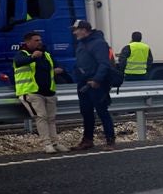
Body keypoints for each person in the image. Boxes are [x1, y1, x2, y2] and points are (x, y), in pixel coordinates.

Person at [13, 30, 65, 153]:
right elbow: (19, 62)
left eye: (40, 40)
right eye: (36, 40)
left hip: (49, 92)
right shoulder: (22, 54)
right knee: (41, 117)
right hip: (32, 92)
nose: (39, 42)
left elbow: (59, 66)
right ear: (28, 42)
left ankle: (55, 143)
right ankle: (47, 144)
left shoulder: (46, 54)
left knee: (51, 119)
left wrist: (59, 70)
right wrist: (32, 57)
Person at [69, 18, 116, 150]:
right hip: (83, 83)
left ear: (84, 30)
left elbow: (104, 64)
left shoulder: (98, 43)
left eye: (76, 30)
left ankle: (110, 141)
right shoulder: (82, 44)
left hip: (96, 84)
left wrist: (96, 80)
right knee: (86, 112)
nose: (74, 33)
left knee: (102, 111)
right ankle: (87, 140)